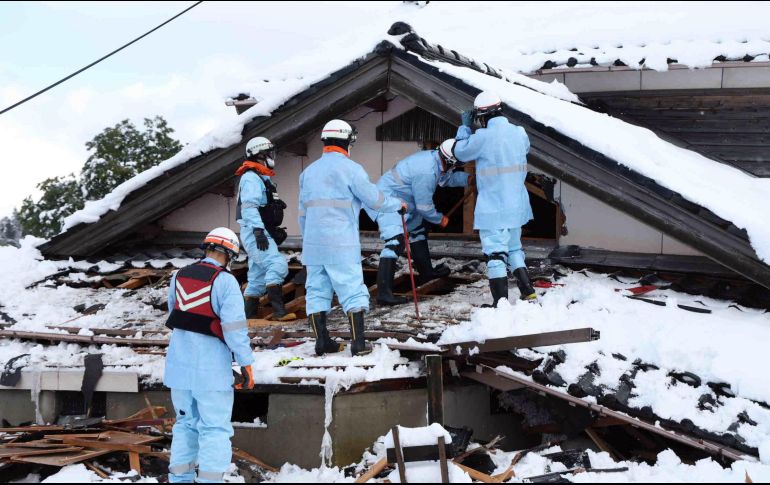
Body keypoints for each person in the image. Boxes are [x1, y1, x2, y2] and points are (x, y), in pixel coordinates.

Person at [299, 119, 406, 356]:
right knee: (352, 289)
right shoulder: (352, 169)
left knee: (316, 291)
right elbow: (374, 200)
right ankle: (358, 344)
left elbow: (303, 214)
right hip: (341, 243)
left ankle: (322, 342)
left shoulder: (307, 173)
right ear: (347, 141)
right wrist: (397, 204)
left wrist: (309, 242)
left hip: (313, 245)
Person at [164, 227, 255, 483]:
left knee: (185, 426)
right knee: (214, 429)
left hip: (179, 369)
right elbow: (235, 329)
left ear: (207, 248)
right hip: (212, 372)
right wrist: (246, 364)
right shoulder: (225, 282)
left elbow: (174, 314)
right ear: (230, 254)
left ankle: (180, 480)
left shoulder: (179, 276)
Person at [454, 91, 537, 307]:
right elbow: (523, 150)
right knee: (514, 249)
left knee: (495, 254)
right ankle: (528, 292)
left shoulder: (482, 137)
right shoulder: (519, 133)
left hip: (493, 208)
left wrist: (465, 127)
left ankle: (500, 303)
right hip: (517, 205)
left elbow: (460, 152)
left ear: (481, 116)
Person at [366, 139, 471, 305]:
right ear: (450, 160)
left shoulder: (436, 160)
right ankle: (384, 293)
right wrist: (439, 219)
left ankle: (427, 274)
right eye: (456, 165)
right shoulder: (427, 171)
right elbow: (424, 207)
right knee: (395, 241)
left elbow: (445, 179)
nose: (455, 167)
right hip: (387, 200)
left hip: (406, 200)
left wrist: (468, 179)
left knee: (418, 232)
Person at [236, 136, 292, 320]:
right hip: (254, 231)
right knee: (277, 264)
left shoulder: (261, 178)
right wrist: (259, 231)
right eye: (268, 153)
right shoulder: (251, 178)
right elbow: (249, 207)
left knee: (257, 276)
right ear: (259, 155)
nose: (271, 156)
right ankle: (279, 312)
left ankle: (249, 317)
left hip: (259, 230)